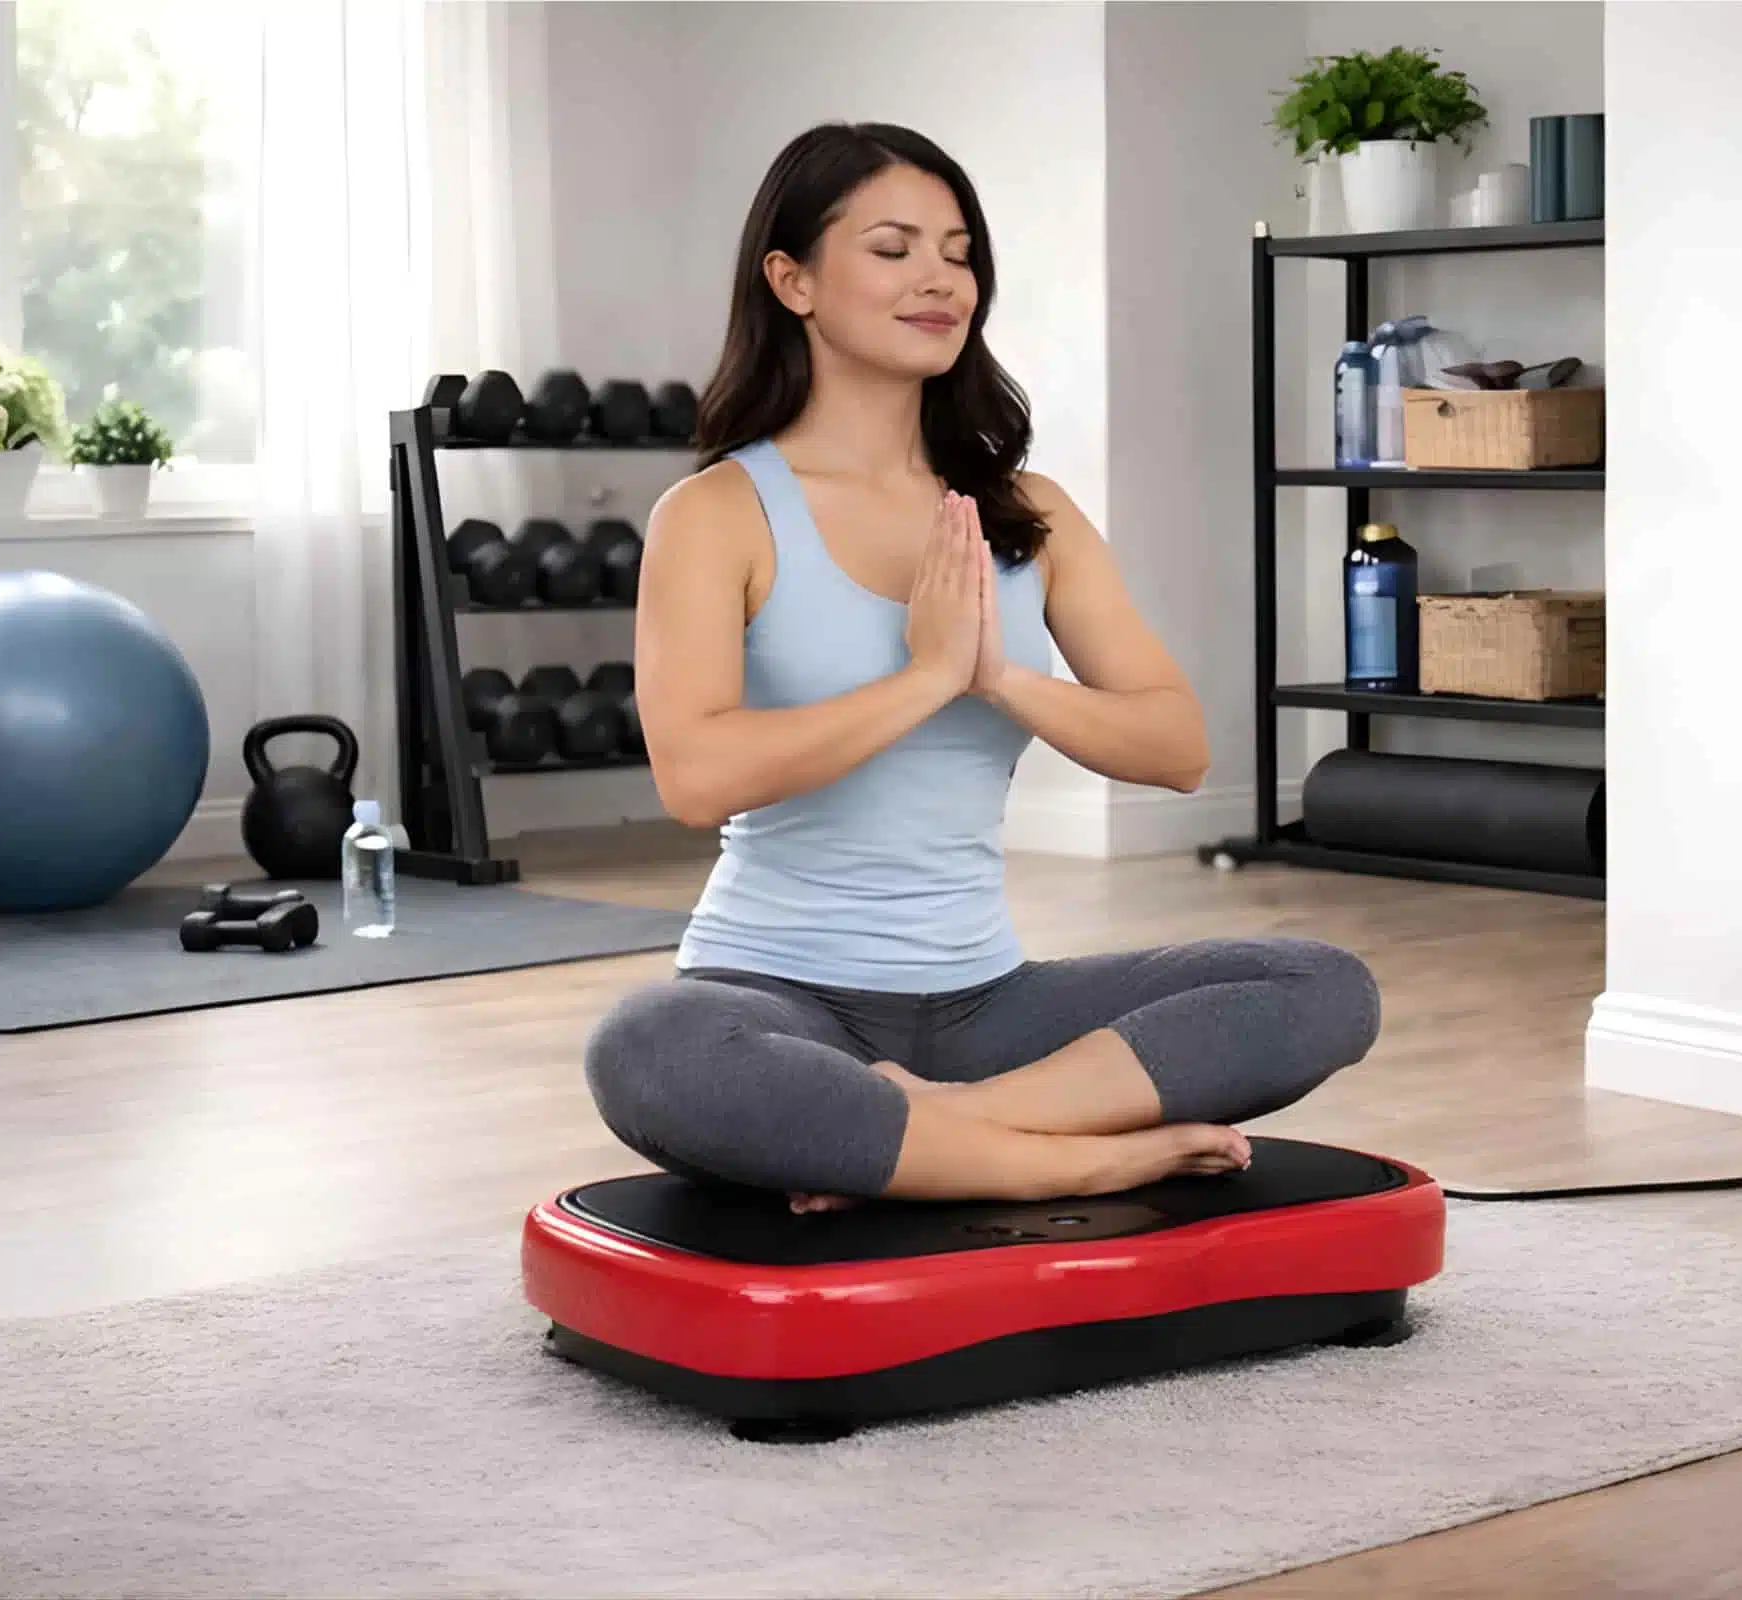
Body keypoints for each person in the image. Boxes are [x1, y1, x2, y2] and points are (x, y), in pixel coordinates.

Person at [583, 121, 1380, 1214]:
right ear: (793, 280)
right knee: (648, 1047)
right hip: (776, 995)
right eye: (895, 248)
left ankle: (920, 1135)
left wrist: (996, 675)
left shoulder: (1029, 514)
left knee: (1320, 987)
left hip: (985, 1009)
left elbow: (1179, 750)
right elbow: (695, 775)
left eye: (958, 253)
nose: (941, 281)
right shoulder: (718, 513)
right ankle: (1079, 1157)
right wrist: (921, 677)